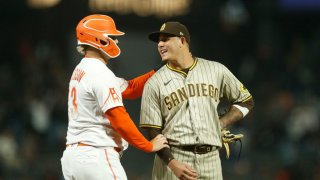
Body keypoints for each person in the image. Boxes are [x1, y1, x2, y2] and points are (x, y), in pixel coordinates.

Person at [139, 22, 254, 180]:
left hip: (211, 159)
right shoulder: (154, 83)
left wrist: (221, 123)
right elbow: (153, 131)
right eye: (158, 41)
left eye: (165, 39)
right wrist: (172, 163)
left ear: (182, 41)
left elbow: (246, 101)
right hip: (174, 159)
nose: (160, 44)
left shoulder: (215, 70)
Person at [60, 14, 169, 180]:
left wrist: (160, 70)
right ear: (98, 39)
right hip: (97, 156)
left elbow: (131, 89)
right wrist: (148, 145)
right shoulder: (99, 73)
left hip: (73, 159)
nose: (116, 41)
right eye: (111, 37)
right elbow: (118, 117)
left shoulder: (83, 69)